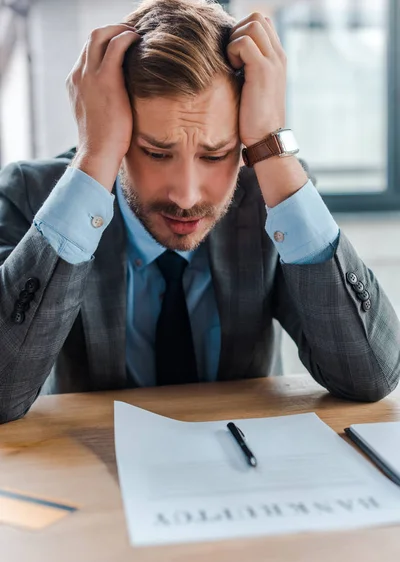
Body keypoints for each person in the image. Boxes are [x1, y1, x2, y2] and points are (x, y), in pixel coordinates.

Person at [0, 0, 399, 424]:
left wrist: (273, 145)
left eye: (216, 154)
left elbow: (370, 376)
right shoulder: (32, 195)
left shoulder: (271, 195)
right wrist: (95, 154)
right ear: (114, 132)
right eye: (156, 152)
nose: (187, 196)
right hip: (87, 474)